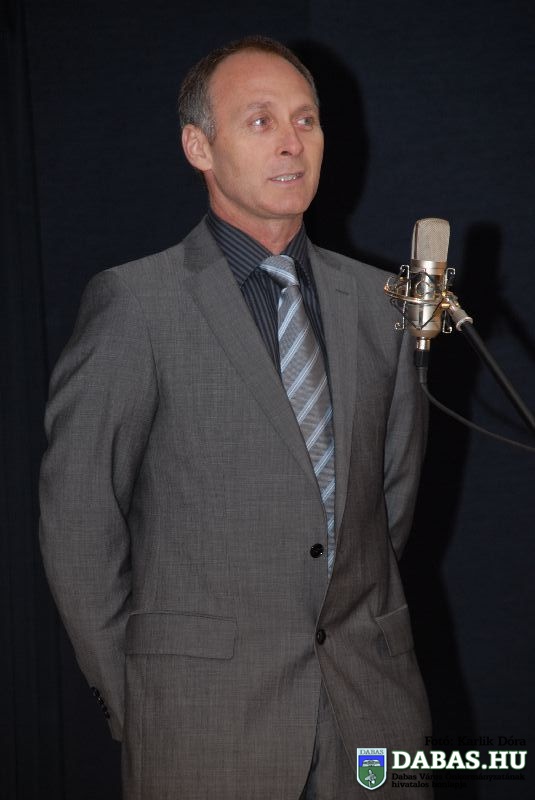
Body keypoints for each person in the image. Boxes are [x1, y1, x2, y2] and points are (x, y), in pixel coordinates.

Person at [39, 35, 432, 800]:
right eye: (259, 121)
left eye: (306, 120)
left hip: (372, 716)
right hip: (201, 727)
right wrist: (141, 702)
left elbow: (389, 504)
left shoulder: (379, 305)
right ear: (199, 147)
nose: (291, 142)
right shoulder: (136, 305)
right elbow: (79, 523)